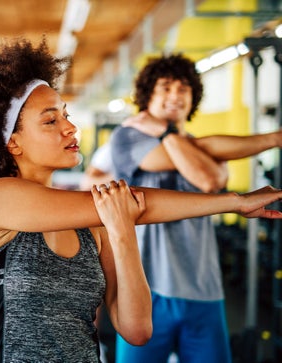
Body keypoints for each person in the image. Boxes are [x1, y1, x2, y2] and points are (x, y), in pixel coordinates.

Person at [0, 38, 282, 363]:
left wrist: (122, 232)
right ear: (13, 142)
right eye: (51, 120)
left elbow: (136, 330)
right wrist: (233, 202)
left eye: (65, 114)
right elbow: (138, 203)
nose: (70, 128)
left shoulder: (93, 221)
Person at [109, 53, 282, 363]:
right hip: (147, 289)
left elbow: (214, 179)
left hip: (204, 288)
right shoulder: (126, 137)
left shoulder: (192, 144)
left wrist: (166, 131)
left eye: (183, 88)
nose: (175, 95)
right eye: (165, 88)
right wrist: (168, 133)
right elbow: (205, 174)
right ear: (147, 95)